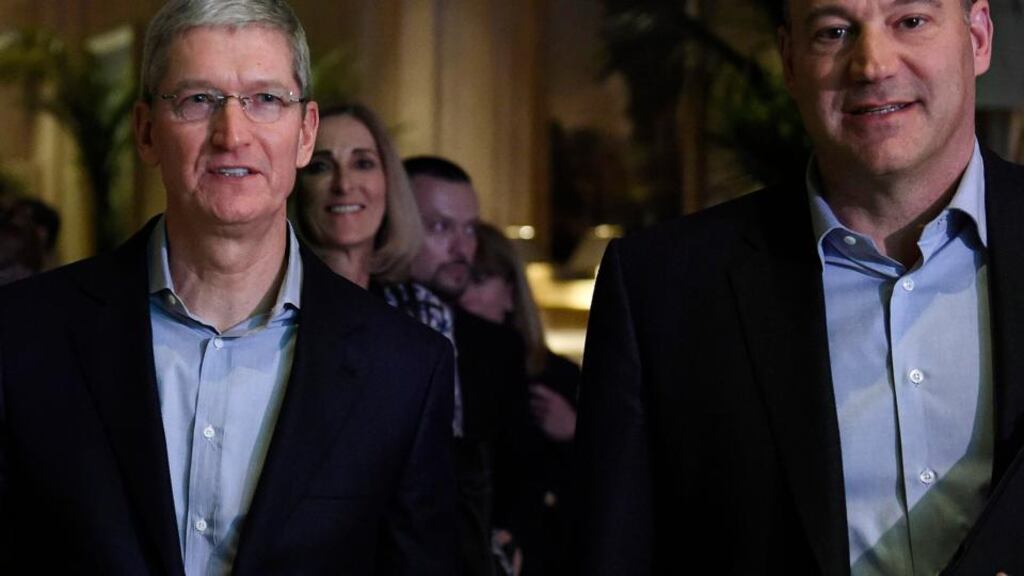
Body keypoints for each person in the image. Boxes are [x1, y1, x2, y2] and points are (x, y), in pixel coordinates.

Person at [0, 1, 456, 574]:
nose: (232, 134)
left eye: (265, 99)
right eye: (198, 100)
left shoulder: (405, 369)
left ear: (305, 133)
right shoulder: (23, 335)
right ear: (146, 131)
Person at [576, 0, 1024, 574]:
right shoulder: (661, 289)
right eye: (833, 32)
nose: (872, 65)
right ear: (790, 61)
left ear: (978, 36)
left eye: (910, 21)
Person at [382, 156, 528, 576]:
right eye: (440, 227)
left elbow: (520, 468)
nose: (463, 248)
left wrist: (510, 533)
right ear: (397, 224)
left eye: (470, 229)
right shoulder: (358, 324)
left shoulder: (498, 347)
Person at [460, 222, 578, 575]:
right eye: (461, 279)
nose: (464, 295)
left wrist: (574, 433)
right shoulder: (445, 370)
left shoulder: (558, 376)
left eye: (479, 280)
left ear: (510, 291)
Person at [292, 103, 423, 288]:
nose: (343, 185)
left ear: (389, 180)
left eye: (362, 164)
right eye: (321, 167)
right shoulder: (268, 299)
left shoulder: (417, 303)